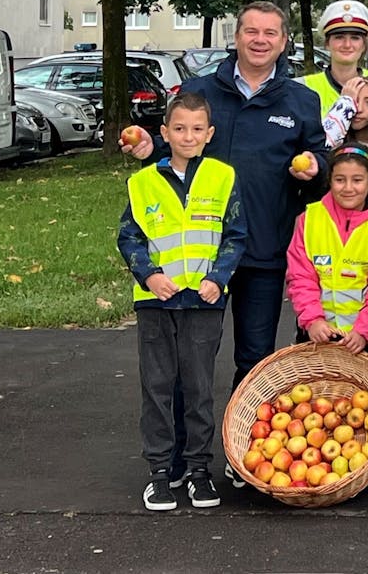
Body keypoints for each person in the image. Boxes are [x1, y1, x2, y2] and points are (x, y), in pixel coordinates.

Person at [124, 1, 326, 489]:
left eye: (271, 33)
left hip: (262, 249)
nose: (260, 40)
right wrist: (147, 146)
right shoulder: (198, 91)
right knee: (184, 367)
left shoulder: (300, 100)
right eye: (251, 31)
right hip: (198, 262)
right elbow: (172, 144)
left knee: (254, 361)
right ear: (236, 36)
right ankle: (176, 460)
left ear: (283, 42)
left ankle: (244, 456)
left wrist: (315, 165)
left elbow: (317, 161)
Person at [117, 93, 245, 512]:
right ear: (164, 132)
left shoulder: (223, 177)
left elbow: (235, 235)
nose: (187, 136)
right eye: (179, 128)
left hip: (203, 303)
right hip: (156, 303)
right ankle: (159, 472)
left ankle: (197, 470)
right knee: (156, 387)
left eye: (196, 129)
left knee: (198, 388)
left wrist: (218, 278)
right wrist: (150, 276)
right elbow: (129, 236)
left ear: (208, 135)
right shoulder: (143, 182)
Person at [283, 144, 368, 487]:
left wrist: (365, 331)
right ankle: (327, 469)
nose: (347, 187)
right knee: (321, 405)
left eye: (356, 180)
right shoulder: (309, 220)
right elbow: (301, 275)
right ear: (329, 181)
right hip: (320, 334)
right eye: (339, 179)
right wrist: (312, 321)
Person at [302, 0, 368, 147]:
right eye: (339, 37)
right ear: (327, 43)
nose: (347, 45)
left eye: (355, 38)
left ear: (364, 45)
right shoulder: (302, 88)